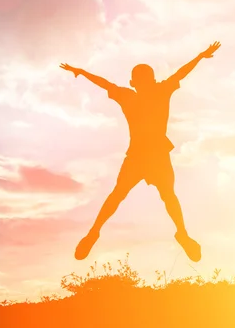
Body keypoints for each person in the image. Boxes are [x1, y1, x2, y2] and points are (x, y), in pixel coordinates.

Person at [59, 41, 221, 262]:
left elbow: (105, 84)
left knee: (122, 196)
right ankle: (181, 233)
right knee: (164, 197)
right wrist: (200, 56)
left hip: (146, 156)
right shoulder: (158, 90)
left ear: (133, 82)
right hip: (148, 156)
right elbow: (181, 73)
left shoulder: (130, 95)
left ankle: (94, 232)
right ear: (140, 81)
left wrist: (82, 71)